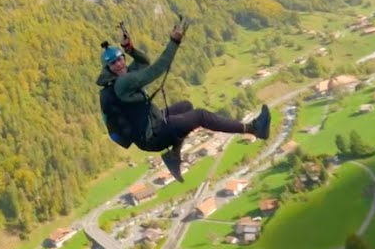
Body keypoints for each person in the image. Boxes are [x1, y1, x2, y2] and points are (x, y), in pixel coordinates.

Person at [97, 19, 271, 182]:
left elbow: (144, 63)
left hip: (148, 124)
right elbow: (156, 68)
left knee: (186, 106)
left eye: (120, 59)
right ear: (108, 69)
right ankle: (254, 129)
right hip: (152, 136)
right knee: (200, 116)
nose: (119, 64)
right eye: (114, 63)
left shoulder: (120, 78)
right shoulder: (123, 82)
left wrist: (130, 49)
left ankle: (174, 155)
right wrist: (174, 42)